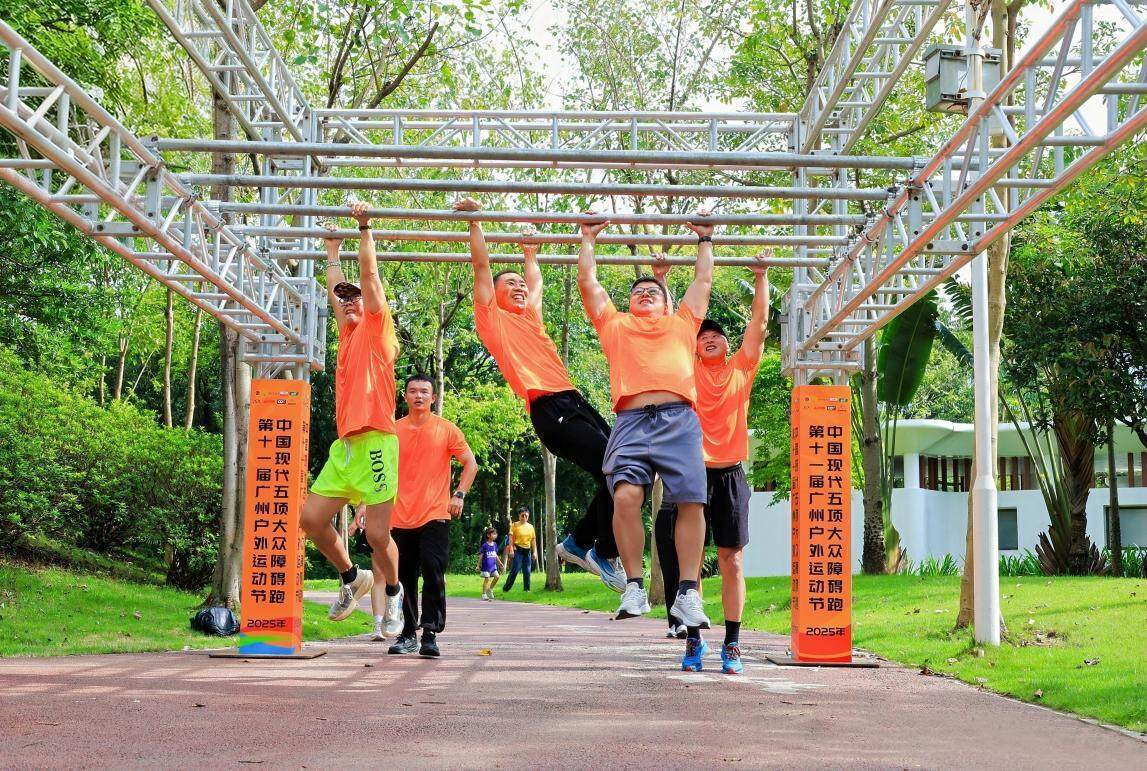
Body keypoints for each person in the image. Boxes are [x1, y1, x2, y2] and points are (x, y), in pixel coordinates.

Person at [455, 197, 625, 592]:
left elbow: (537, 285)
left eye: (519, 284)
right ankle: (595, 547)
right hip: (549, 408)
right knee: (614, 466)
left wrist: (530, 254)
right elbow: (481, 268)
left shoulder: (530, 316)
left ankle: (580, 542)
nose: (518, 288)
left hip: (575, 401)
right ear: (494, 295)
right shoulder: (492, 321)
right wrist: (476, 222)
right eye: (509, 284)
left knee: (626, 468)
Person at [576, 210, 714, 630]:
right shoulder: (615, 324)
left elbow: (703, 281)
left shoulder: (683, 323)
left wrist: (705, 239)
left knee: (691, 500)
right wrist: (587, 239)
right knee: (624, 497)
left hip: (678, 420)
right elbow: (589, 284)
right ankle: (634, 586)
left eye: (653, 289)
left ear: (667, 301)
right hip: (631, 420)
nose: (645, 293)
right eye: (638, 291)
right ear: (629, 303)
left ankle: (687, 593)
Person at [652, 252, 770, 674]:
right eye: (703, 336)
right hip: (692, 474)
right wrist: (661, 280)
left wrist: (761, 277)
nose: (709, 338)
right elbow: (671, 328)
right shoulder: (687, 371)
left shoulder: (742, 368)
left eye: (717, 335)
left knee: (731, 560)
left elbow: (758, 324)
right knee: (691, 563)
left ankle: (732, 643)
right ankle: (694, 640)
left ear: (727, 344)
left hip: (731, 474)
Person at [300, 203, 404, 623]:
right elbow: (337, 289)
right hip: (346, 447)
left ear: (369, 304)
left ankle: (393, 592)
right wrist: (331, 251)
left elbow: (369, 278)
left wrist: (364, 228)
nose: (346, 303)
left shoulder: (378, 331)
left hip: (377, 441)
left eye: (354, 299)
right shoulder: (346, 336)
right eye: (343, 301)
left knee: (377, 534)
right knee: (311, 520)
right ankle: (351, 577)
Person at [387, 374, 478, 658]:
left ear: (433, 397)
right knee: (404, 577)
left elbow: (470, 463)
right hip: (399, 515)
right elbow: (380, 471)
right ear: (405, 396)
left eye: (424, 391)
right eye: (413, 391)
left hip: (436, 513)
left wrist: (459, 494)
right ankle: (407, 634)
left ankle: (429, 634)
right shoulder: (392, 430)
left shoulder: (446, 429)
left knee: (432, 570)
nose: (419, 396)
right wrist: (368, 504)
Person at [348, 505, 405, 641]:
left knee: (403, 572)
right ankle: (379, 624)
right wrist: (361, 510)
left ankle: (404, 622)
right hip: (381, 516)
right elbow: (369, 493)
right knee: (378, 573)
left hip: (406, 517)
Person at [502, 507, 538, 592]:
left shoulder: (531, 527)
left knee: (527, 570)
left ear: (528, 516)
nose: (524, 517)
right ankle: (506, 588)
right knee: (515, 569)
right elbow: (511, 539)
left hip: (527, 550)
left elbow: (533, 540)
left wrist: (535, 552)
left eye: (526, 515)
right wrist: (511, 550)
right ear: (519, 516)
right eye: (522, 515)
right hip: (517, 549)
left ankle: (527, 589)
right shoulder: (514, 525)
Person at [477, 527, 504, 600]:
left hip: (493, 567)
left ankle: (490, 589)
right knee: (487, 578)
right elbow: (481, 556)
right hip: (486, 567)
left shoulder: (495, 544)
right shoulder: (485, 545)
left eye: (496, 534)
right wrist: (478, 565)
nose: (495, 535)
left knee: (497, 576)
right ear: (488, 535)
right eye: (493, 534)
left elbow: (495, 555)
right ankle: (484, 594)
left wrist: (500, 563)